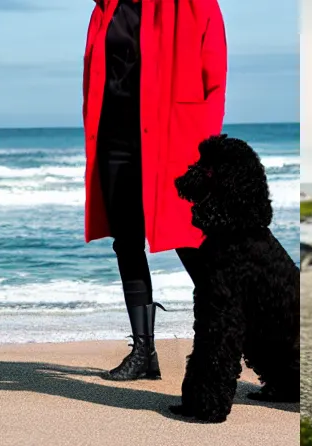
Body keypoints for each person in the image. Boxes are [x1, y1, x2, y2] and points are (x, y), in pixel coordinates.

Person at [82, 0, 227, 381]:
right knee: (126, 242)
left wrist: (202, 145)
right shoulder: (106, 8)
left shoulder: (194, 5)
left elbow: (215, 79)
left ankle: (226, 343)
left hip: (170, 140)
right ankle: (144, 351)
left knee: (190, 239)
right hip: (115, 139)